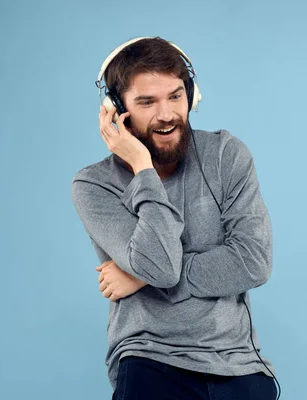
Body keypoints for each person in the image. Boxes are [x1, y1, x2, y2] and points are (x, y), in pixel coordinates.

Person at [70, 37, 279, 400]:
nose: (166, 114)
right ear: (117, 110)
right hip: (149, 359)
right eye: (146, 102)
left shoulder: (225, 155)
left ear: (192, 96)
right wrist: (142, 168)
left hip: (238, 364)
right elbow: (161, 267)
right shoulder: (94, 185)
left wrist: (139, 278)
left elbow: (253, 262)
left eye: (175, 96)